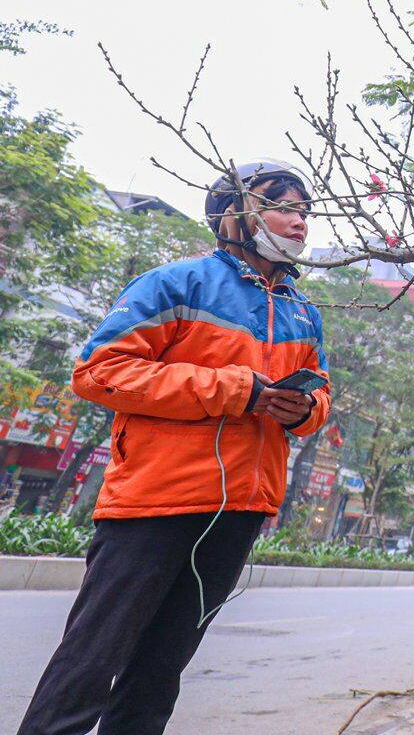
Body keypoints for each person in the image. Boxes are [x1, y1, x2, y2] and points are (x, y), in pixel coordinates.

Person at [19, 160, 331, 735]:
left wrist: (305, 409)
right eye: (283, 207)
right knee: (88, 664)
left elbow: (320, 395)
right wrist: (234, 389)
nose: (300, 223)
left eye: (305, 211)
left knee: (159, 677)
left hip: (236, 514)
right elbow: (99, 372)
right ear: (233, 216)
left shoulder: (302, 312)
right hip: (153, 506)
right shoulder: (176, 282)